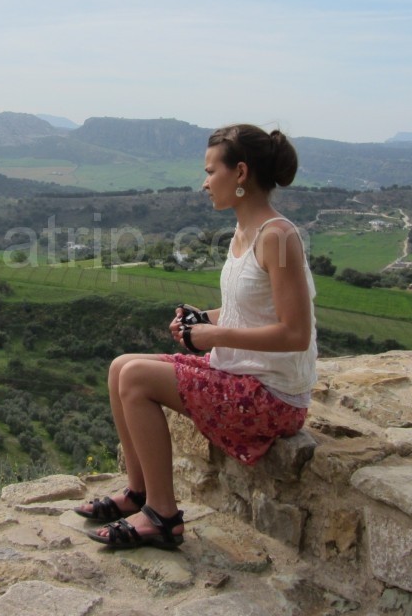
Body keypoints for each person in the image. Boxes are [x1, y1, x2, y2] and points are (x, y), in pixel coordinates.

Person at [74, 123, 317, 550]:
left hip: (271, 397)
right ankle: (138, 492)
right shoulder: (245, 233)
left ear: (240, 173)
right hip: (241, 372)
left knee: (135, 379)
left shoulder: (278, 236)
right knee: (119, 368)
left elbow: (295, 333)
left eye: (210, 172)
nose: (205, 184)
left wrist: (211, 335)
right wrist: (201, 319)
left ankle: (163, 517)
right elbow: (252, 310)